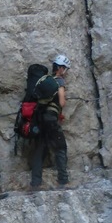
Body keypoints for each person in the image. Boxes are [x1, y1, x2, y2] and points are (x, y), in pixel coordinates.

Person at [32, 55, 71, 189]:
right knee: (60, 147)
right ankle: (63, 181)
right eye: (65, 68)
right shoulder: (59, 81)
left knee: (39, 150)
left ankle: (35, 184)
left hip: (40, 119)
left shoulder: (46, 80)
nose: (65, 71)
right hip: (51, 119)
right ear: (60, 68)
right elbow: (62, 102)